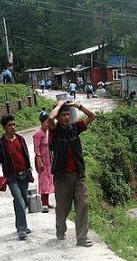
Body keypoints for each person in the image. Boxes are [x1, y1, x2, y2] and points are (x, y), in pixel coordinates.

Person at [47, 99, 96, 246]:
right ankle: (60, 229)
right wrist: (59, 104)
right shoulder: (55, 131)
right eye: (63, 115)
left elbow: (92, 116)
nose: (67, 117)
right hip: (62, 177)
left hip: (78, 175)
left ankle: (82, 237)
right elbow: (50, 118)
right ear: (58, 117)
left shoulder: (75, 128)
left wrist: (78, 106)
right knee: (63, 208)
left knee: (83, 204)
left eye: (68, 114)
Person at [0, 114, 34, 241]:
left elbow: (26, 156)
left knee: (24, 200)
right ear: (4, 127)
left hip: (24, 175)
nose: (13, 127)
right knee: (19, 199)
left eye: (14, 125)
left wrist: (30, 172)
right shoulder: (0, 144)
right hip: (11, 177)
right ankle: (22, 229)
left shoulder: (20, 139)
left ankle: (20, 224)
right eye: (10, 125)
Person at [33, 110, 55, 213]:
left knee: (49, 180)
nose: (48, 124)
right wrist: (39, 161)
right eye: (47, 122)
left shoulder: (48, 133)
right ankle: (44, 204)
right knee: (43, 181)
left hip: (49, 160)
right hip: (42, 161)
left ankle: (48, 202)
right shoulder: (38, 134)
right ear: (42, 122)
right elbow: (36, 149)